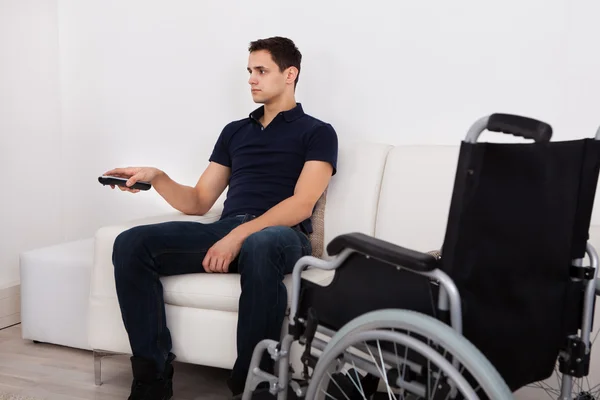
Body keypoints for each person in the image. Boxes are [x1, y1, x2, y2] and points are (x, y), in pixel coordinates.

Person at [104, 36, 338, 400]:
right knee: (131, 243)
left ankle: (257, 386)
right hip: (230, 228)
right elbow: (199, 201)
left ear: (290, 74)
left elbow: (302, 204)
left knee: (260, 243)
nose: (251, 79)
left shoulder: (318, 133)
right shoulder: (235, 132)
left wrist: (238, 236)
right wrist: (158, 178)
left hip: (283, 234)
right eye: (249, 71)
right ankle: (152, 381)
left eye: (261, 70)